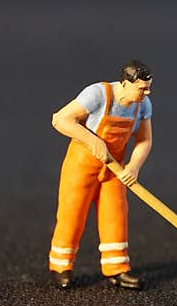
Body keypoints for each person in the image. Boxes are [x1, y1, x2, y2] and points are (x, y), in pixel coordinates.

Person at [48, 59, 153, 290]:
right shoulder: (98, 94)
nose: (147, 92)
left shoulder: (142, 105)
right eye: (142, 88)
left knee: (115, 216)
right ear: (125, 83)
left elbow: (144, 140)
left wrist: (133, 167)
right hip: (81, 166)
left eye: (148, 87)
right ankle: (61, 266)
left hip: (114, 170)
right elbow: (60, 119)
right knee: (72, 215)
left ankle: (117, 269)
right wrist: (91, 140)